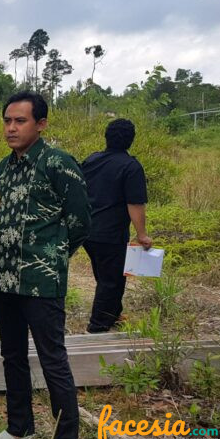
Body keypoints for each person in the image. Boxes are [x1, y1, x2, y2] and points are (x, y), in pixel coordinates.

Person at [0, 92, 90, 439]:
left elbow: (81, 221)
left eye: (20, 121)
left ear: (40, 124)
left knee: (52, 360)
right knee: (12, 355)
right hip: (4, 278)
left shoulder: (58, 163)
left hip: (41, 282)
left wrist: (53, 255)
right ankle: (20, 429)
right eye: (7, 121)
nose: (11, 128)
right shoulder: (4, 167)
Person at [81, 119, 151, 333]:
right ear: (131, 140)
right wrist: (142, 235)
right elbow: (135, 203)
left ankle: (114, 314)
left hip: (87, 231)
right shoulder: (131, 166)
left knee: (105, 275)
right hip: (110, 234)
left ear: (106, 137)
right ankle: (98, 325)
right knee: (111, 281)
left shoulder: (92, 160)